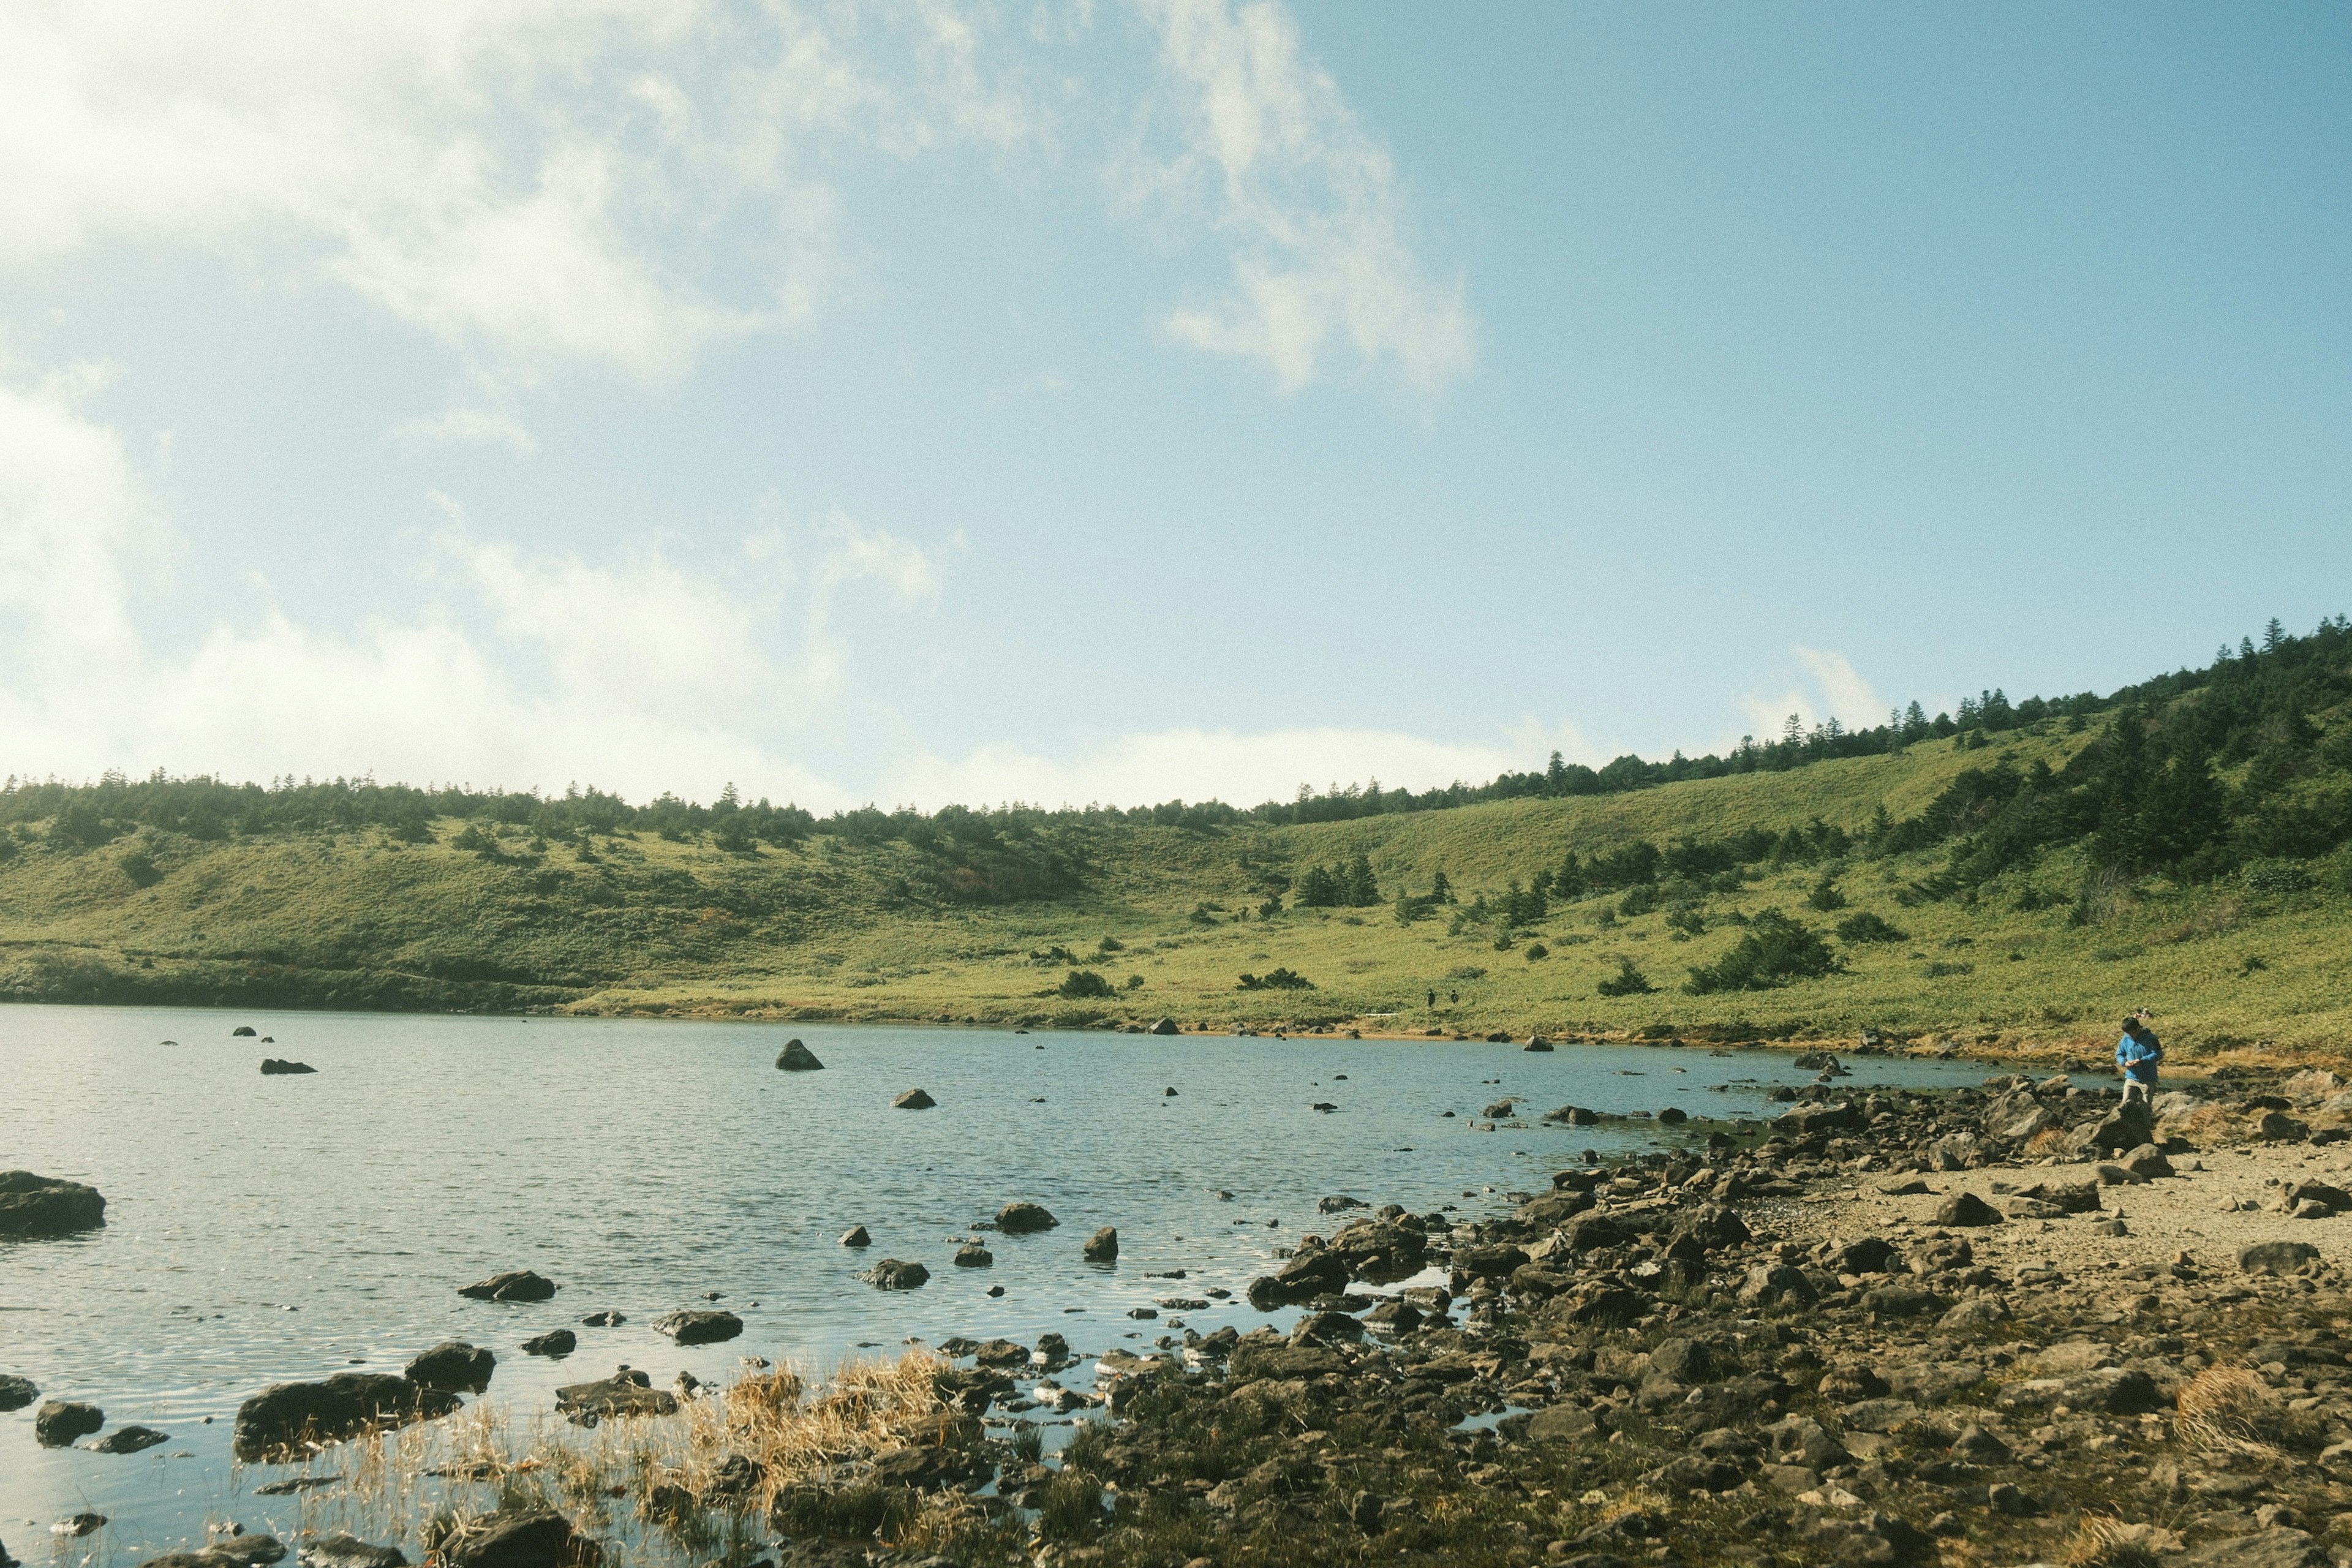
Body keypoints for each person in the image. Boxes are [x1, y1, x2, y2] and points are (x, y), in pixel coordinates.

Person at [2116, 1012, 2162, 1107]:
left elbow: (2158, 1054)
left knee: (2145, 1107)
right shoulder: (2126, 1038)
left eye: (2131, 1033)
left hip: (2148, 1079)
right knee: (2125, 1105)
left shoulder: (2151, 1038)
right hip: (2131, 1077)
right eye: (2127, 1033)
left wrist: (2142, 1061)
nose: (2130, 1035)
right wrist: (2125, 1063)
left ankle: (2146, 1122)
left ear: (2138, 1028)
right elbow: (2119, 1054)